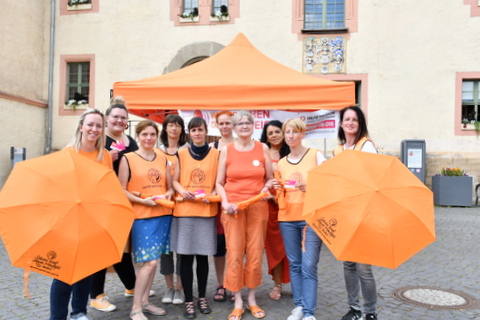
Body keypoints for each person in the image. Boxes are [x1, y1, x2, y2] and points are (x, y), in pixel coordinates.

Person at [50, 109, 112, 320]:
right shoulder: (68, 153)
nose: (94, 129)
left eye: (98, 125)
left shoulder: (105, 156)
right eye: (90, 125)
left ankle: (79, 312)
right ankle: (57, 317)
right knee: (64, 272)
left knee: (87, 268)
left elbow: (107, 188)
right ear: (81, 127)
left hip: (93, 220)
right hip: (68, 220)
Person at [216, 111, 273, 320]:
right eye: (239, 123)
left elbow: (269, 178)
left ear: (253, 125)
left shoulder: (262, 148)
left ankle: (252, 299)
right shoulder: (226, 150)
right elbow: (219, 183)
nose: (244, 126)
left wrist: (266, 189)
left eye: (248, 122)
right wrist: (225, 202)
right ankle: (238, 300)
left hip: (257, 208)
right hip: (233, 210)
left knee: (256, 253)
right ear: (234, 127)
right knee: (234, 253)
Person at [89, 97, 144, 312]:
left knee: (122, 248)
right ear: (107, 118)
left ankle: (131, 287)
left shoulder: (131, 142)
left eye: (123, 118)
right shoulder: (98, 139)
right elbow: (86, 169)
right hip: (100, 202)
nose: (120, 121)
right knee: (102, 248)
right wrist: (104, 159)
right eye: (116, 117)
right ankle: (96, 295)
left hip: (124, 201)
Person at [118, 120, 174, 320]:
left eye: (152, 134)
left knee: (154, 260)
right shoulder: (128, 159)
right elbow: (121, 189)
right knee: (148, 263)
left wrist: (168, 193)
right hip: (142, 217)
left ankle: (145, 302)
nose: (149, 138)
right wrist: (143, 200)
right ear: (138, 136)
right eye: (144, 135)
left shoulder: (162, 158)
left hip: (163, 215)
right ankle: (135, 308)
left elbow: (170, 185)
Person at [275, 118, 325, 320]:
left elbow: (330, 184)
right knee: (295, 264)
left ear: (302, 134)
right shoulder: (280, 162)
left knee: (309, 264)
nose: (291, 136)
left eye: (295, 132)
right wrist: (276, 188)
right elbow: (280, 195)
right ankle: (299, 306)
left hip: (310, 217)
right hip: (287, 218)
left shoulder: (315, 156)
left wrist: (312, 187)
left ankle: (309, 312)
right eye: (288, 132)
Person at [171, 117, 219, 319]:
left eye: (200, 129)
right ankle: (189, 300)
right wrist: (183, 192)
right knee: (185, 257)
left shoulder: (216, 154)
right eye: (193, 130)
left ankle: (202, 297)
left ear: (206, 131)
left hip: (206, 211)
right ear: (189, 132)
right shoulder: (181, 153)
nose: (197, 133)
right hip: (185, 212)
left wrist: (212, 195)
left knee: (202, 257)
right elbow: (174, 180)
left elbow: (219, 180)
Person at [334, 106, 378, 320]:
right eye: (346, 119)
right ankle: (354, 309)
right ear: (341, 123)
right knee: (349, 264)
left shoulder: (366, 146)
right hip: (345, 214)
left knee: (364, 268)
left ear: (360, 124)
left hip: (364, 214)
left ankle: (370, 313)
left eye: (354, 119)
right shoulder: (339, 150)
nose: (350, 123)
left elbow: (374, 180)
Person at [157, 114, 188, 305]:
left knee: (182, 249)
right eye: (171, 125)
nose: (174, 128)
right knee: (165, 250)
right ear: (165, 128)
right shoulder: (157, 151)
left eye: (178, 125)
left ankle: (180, 287)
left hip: (182, 205)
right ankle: (169, 287)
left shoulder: (187, 151)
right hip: (162, 205)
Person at [259, 120, 290, 300]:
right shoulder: (262, 154)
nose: (274, 135)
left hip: (289, 206)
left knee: (292, 248)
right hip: (269, 208)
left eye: (277, 131)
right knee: (275, 249)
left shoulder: (291, 153)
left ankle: (299, 284)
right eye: (270, 133)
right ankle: (277, 285)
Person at [209, 111, 235, 303]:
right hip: (218, 203)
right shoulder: (212, 148)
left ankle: (234, 282)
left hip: (236, 201)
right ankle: (220, 283)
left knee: (235, 246)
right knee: (219, 247)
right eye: (221, 123)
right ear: (216, 125)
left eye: (228, 123)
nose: (225, 126)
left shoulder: (241, 145)